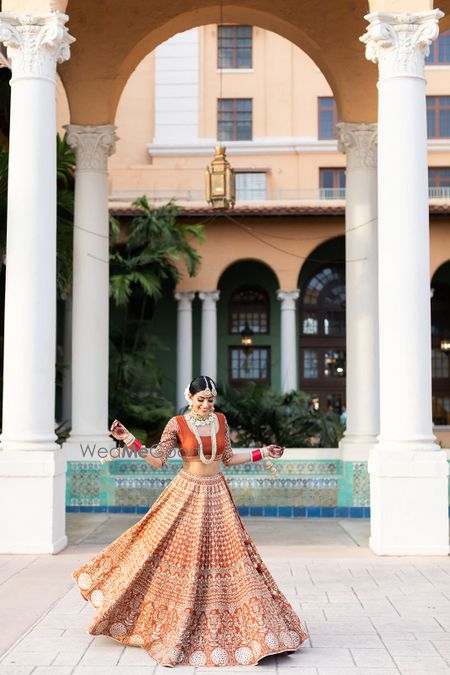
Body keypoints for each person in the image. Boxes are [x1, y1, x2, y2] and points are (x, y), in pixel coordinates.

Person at [71, 375, 310, 668]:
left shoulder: (221, 420)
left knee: (233, 559)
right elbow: (158, 459)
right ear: (189, 398)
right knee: (166, 553)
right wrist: (128, 439)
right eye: (201, 400)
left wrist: (264, 452)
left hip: (217, 494)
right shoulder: (177, 424)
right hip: (186, 492)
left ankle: (250, 630)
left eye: (211, 400)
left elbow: (229, 458)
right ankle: (169, 620)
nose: (207, 405)